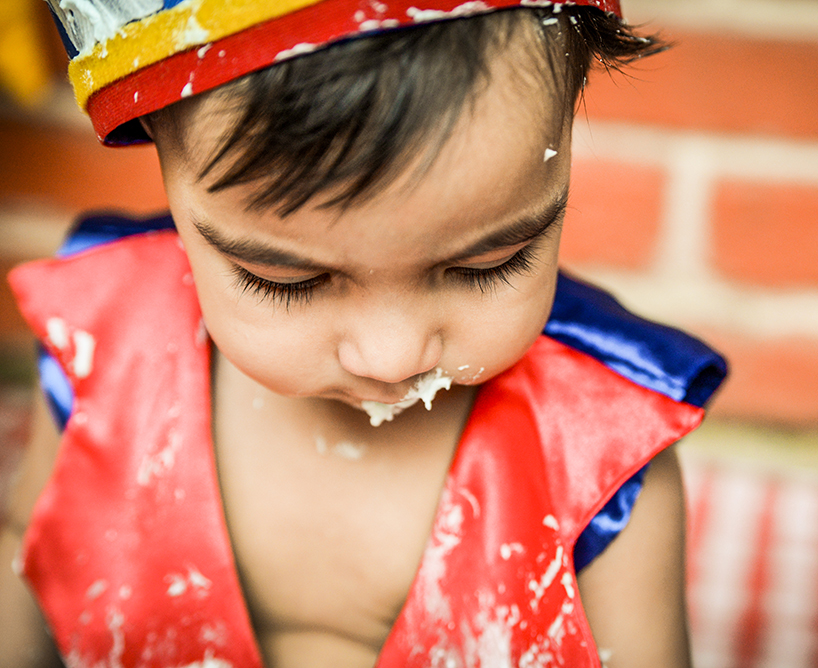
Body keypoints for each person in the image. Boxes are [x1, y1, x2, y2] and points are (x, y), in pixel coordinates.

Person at [0, 1, 727, 666]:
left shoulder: (596, 464)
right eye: (283, 280)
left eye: (486, 265)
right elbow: (23, 565)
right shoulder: (103, 356)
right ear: (162, 157)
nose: (392, 356)